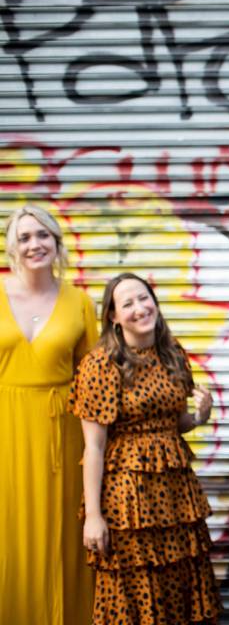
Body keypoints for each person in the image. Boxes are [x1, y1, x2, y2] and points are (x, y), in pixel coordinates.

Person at [72, 272, 222, 624]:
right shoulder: (100, 365)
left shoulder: (172, 355)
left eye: (144, 298)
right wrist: (94, 516)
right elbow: (93, 446)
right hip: (128, 503)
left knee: (179, 585)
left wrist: (200, 416)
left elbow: (174, 424)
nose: (140, 308)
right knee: (134, 592)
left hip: (175, 498)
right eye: (127, 303)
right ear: (112, 316)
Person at [0, 205, 96, 625]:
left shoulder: (80, 302)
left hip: (63, 436)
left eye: (43, 235)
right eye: (24, 237)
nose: (34, 244)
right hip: (6, 428)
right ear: (11, 247)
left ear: (57, 243)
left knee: (62, 544)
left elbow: (95, 383)